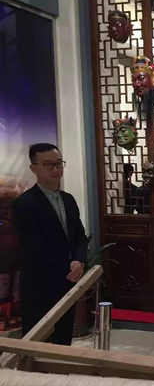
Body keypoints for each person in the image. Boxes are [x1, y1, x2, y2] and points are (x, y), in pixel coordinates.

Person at [11, 143, 88, 345]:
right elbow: (33, 245)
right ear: (33, 168)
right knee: (37, 341)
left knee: (63, 338)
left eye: (59, 163)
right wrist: (67, 264)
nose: (55, 169)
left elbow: (79, 236)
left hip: (67, 281)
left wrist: (79, 260)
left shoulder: (68, 200)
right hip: (39, 282)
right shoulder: (24, 203)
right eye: (48, 165)